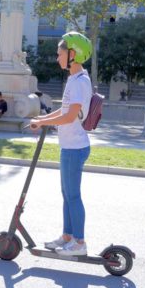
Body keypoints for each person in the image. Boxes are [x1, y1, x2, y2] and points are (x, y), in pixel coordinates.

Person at [30, 31, 93, 256]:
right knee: (67, 194)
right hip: (69, 146)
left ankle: (79, 243)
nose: (57, 58)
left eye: (60, 54)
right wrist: (42, 120)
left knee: (73, 196)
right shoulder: (74, 79)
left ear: (73, 54)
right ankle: (67, 236)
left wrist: (44, 122)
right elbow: (64, 111)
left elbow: (68, 118)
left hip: (75, 147)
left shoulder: (79, 82)